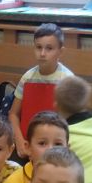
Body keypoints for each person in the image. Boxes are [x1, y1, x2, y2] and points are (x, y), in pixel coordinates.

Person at [9, 23, 73, 159]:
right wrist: (20, 142)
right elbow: (13, 114)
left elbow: (71, 122)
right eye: (39, 47)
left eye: (49, 48)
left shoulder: (67, 80)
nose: (42, 53)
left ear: (60, 51)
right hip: (27, 145)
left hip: (53, 149)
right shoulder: (27, 77)